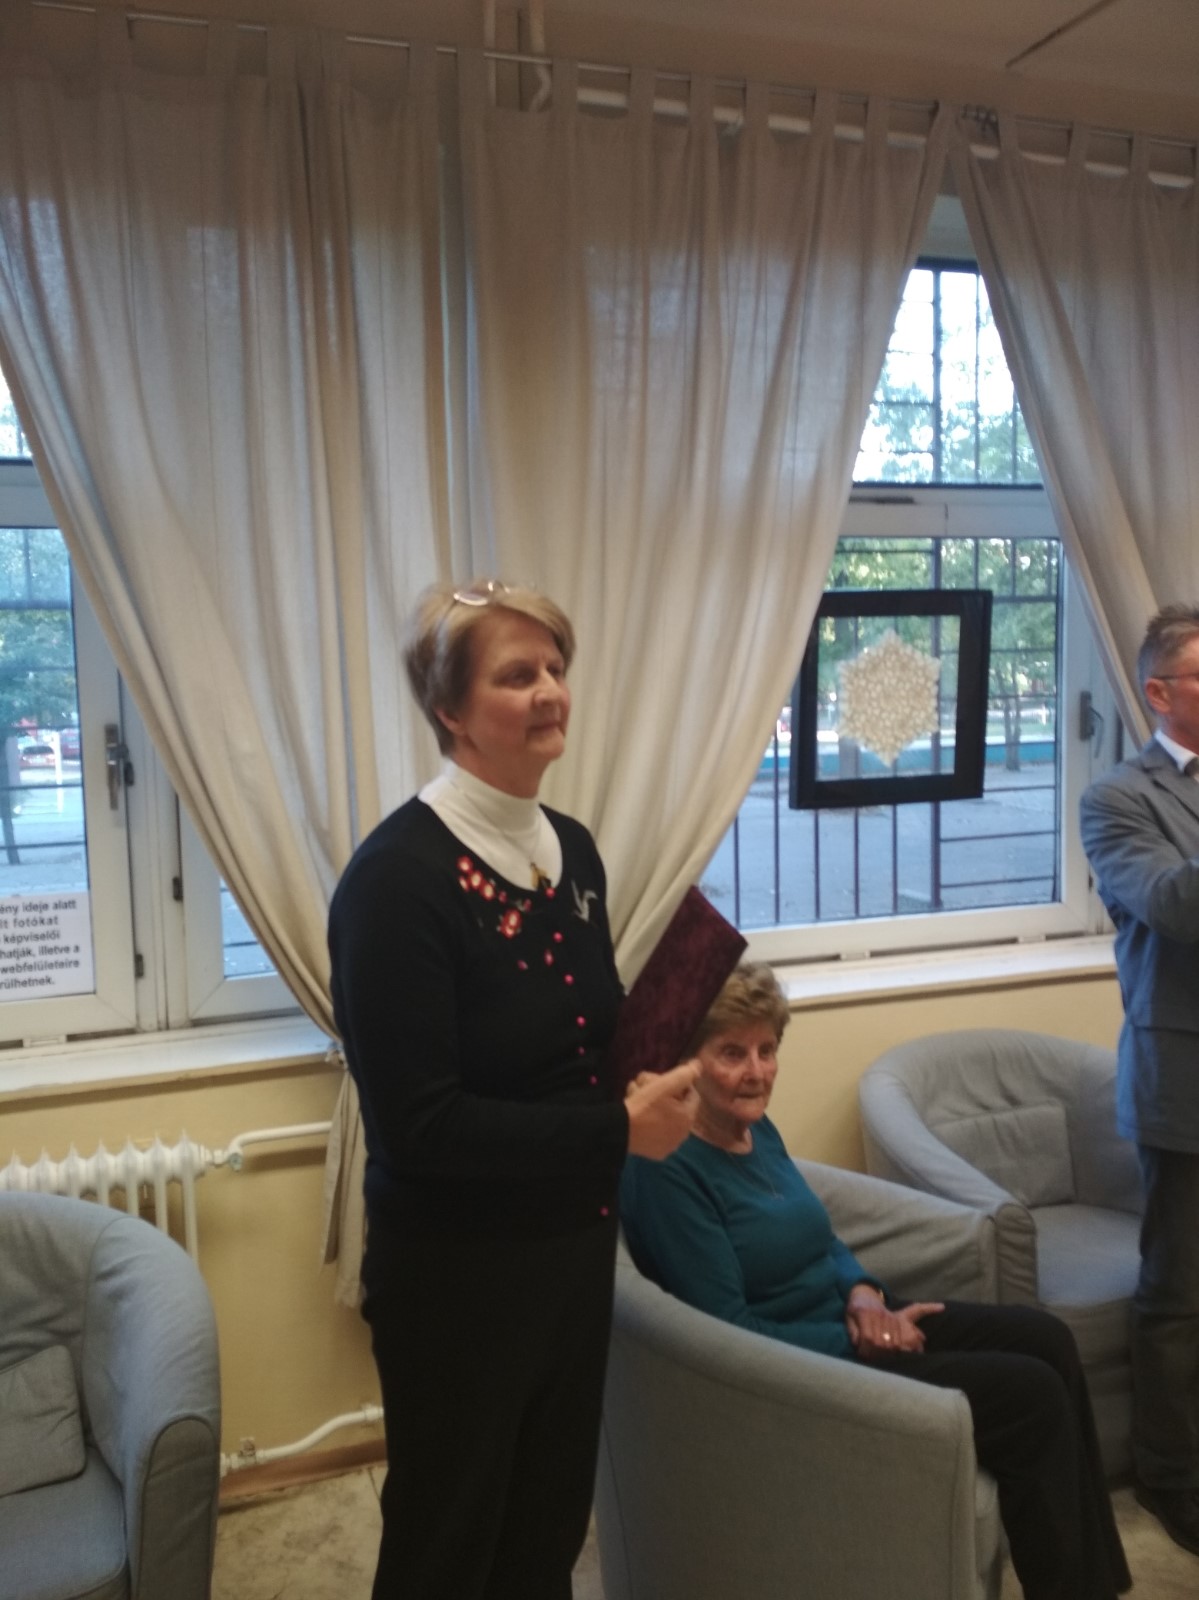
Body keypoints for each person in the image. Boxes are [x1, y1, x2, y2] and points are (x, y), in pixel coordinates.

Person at [328, 578, 699, 1600]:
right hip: (455, 1279)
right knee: (448, 1543)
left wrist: (661, 1060)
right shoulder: (394, 881)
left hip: (571, 1253)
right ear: (447, 709)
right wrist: (615, 1132)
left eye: (555, 669)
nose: (549, 692)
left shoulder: (569, 849)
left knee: (544, 1530)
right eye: (516, 674)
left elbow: (583, 1033)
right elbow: (420, 1127)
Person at [621, 961, 1131, 1600]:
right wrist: (863, 1339)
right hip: (803, 1370)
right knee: (1029, 1396)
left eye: (767, 1050)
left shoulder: (754, 1129)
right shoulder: (666, 1167)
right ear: (686, 1060)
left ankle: (1097, 1585)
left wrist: (866, 1295)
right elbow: (728, 1334)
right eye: (732, 1053)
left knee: (1046, 1338)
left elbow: (823, 1242)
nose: (756, 1071)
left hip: (851, 1322)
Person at [1080, 603, 1199, 1557]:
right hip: (1183, 1082)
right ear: (1159, 693)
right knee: (1178, 1296)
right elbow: (1169, 904)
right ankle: (1170, 1479)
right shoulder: (1117, 798)